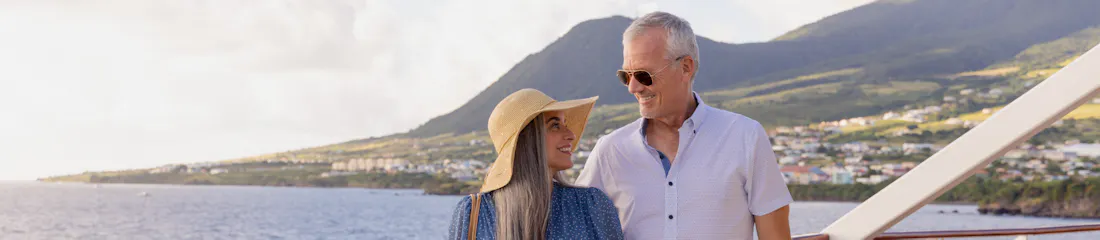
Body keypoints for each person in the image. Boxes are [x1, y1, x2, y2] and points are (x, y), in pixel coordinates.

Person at [576, 12, 793, 239]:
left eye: (643, 75)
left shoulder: (746, 137)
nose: (633, 87)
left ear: (686, 67)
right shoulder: (610, 151)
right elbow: (570, 224)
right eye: (626, 76)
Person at [447, 89, 623, 240]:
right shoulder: (472, 213)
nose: (571, 135)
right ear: (527, 139)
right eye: (555, 125)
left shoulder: (592, 205)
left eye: (565, 124)